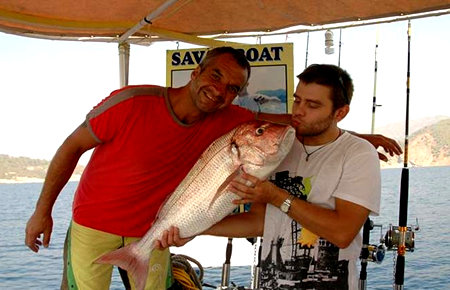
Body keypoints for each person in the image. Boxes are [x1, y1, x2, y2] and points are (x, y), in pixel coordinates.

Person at [25, 45, 399, 290]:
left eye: (232, 87)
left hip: (153, 229)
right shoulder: (131, 102)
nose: (219, 90)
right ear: (196, 72)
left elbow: (290, 122)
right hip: (94, 223)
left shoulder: (230, 119)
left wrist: (357, 137)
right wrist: (41, 213)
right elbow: (70, 147)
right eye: (216, 76)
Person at [157, 64, 388, 289]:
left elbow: (343, 232)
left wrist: (275, 196)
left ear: (340, 113)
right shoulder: (276, 149)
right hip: (271, 282)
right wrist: (193, 228)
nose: (298, 111)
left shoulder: (358, 153)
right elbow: (259, 222)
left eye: (313, 105)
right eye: (297, 100)